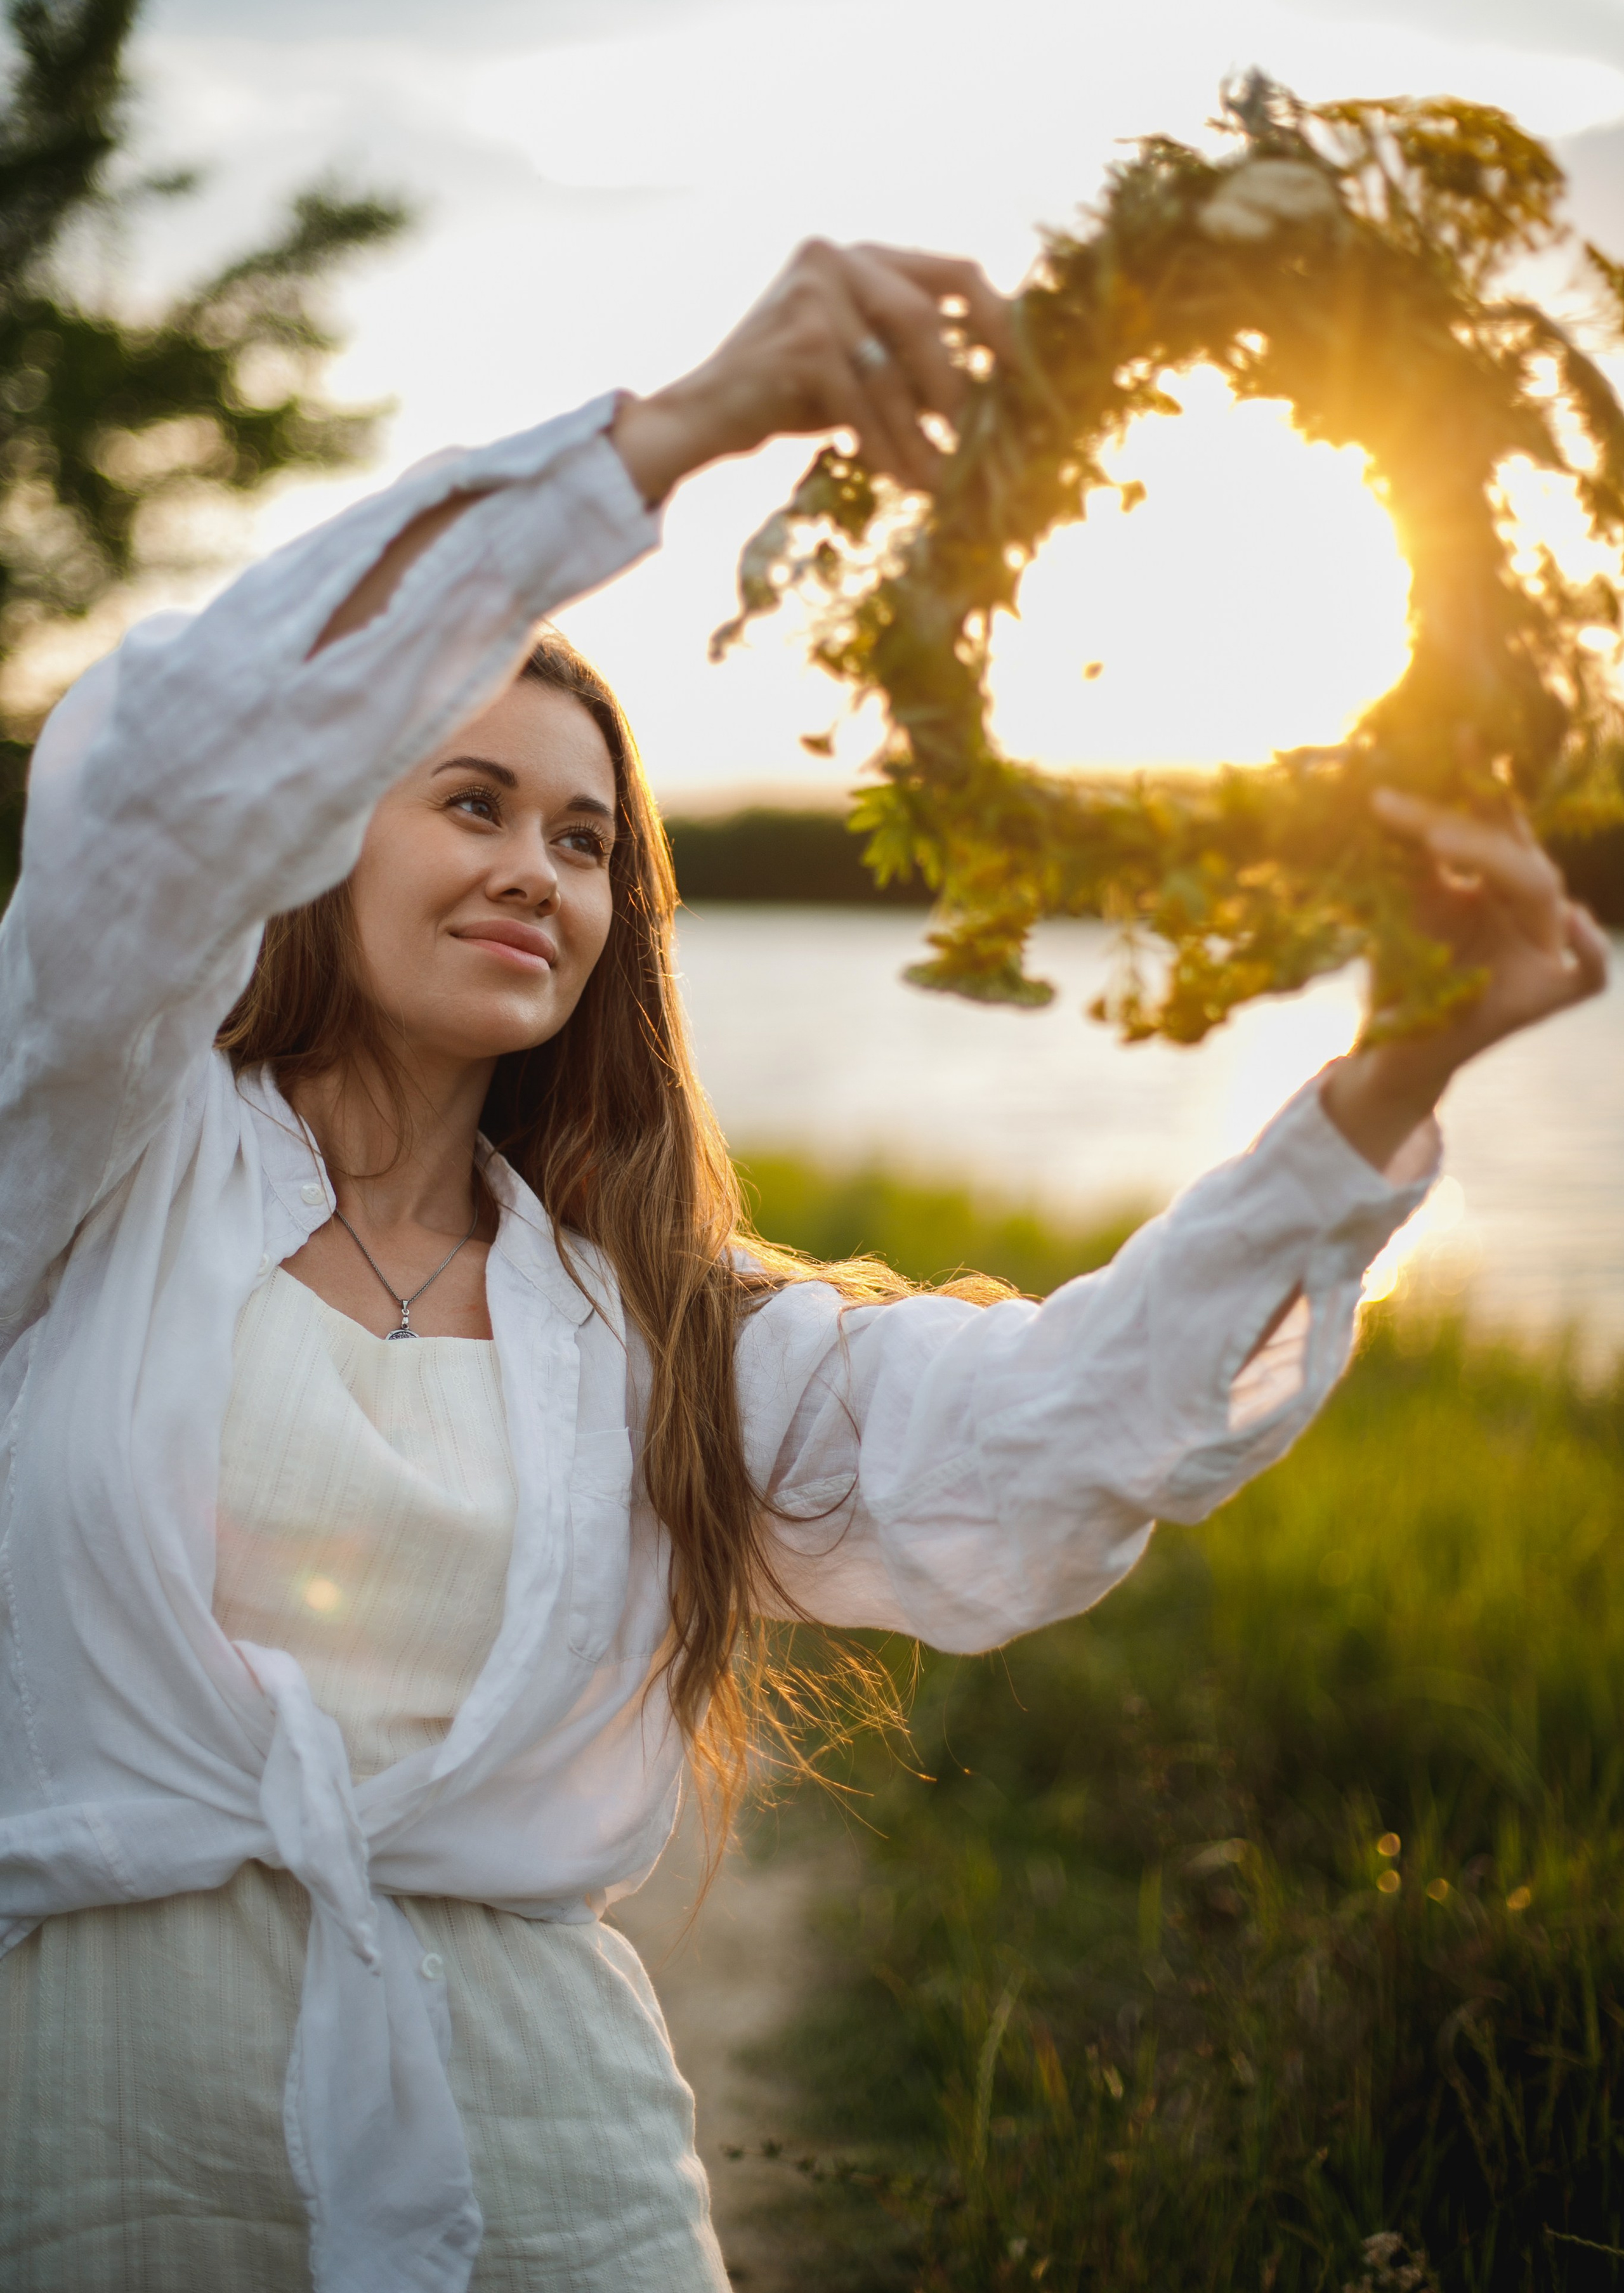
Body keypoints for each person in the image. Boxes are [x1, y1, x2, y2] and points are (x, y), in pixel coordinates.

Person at [0, 237, 1606, 2293]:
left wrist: (1405, 1066)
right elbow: (150, 788)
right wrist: (678, 433)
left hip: (549, 2164)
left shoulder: (657, 1325)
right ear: (323, 833)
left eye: (587, 842)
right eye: (470, 800)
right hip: (104, 2126)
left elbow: (1060, 1438)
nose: (535, 869)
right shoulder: (94, 1157)